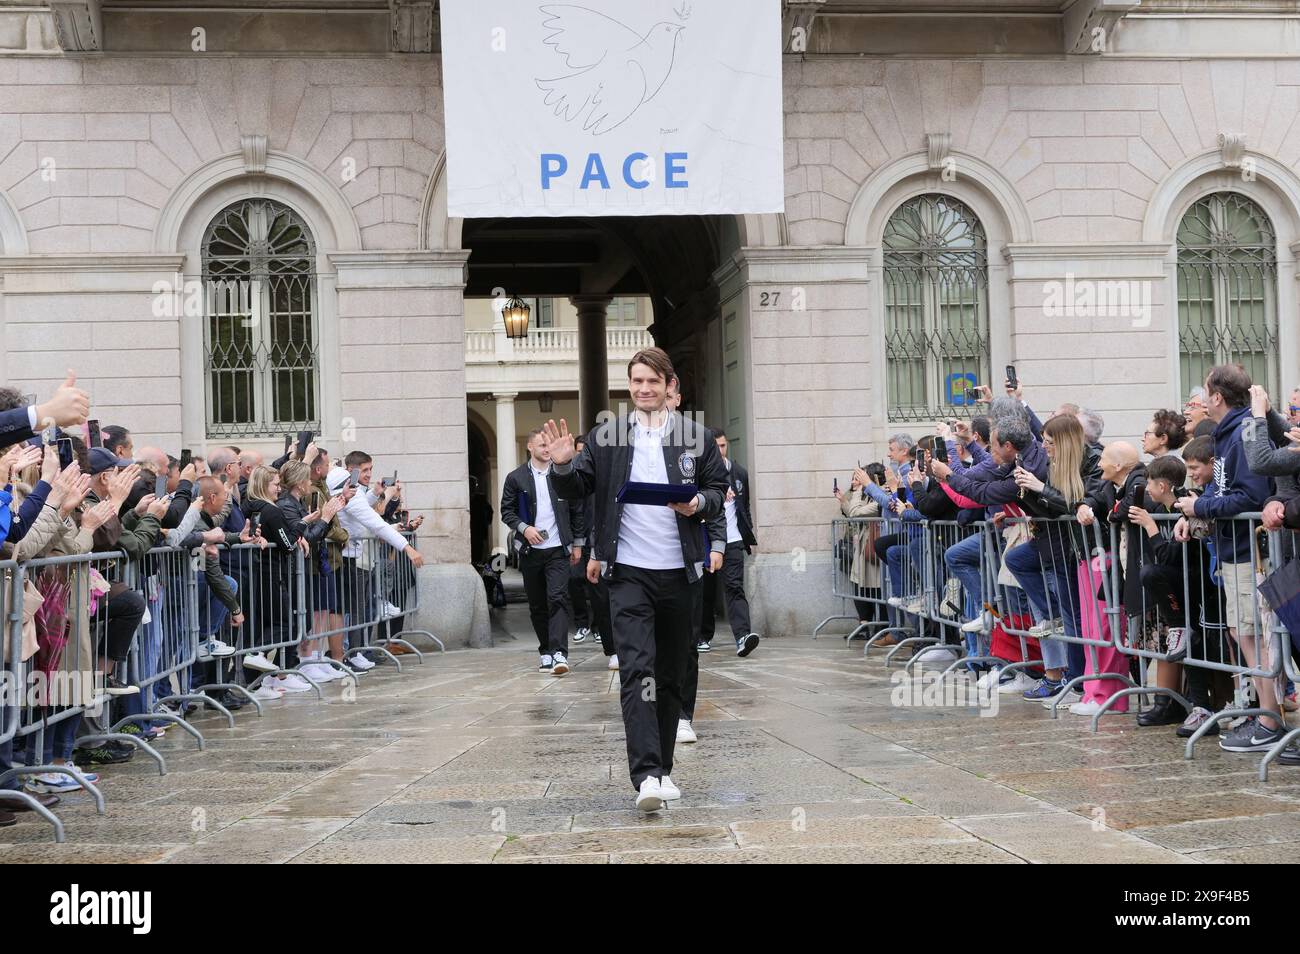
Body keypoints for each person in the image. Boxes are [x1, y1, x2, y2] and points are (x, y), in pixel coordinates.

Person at [546, 346, 728, 814]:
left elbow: (715, 490)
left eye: (652, 381)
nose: (644, 389)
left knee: (670, 673)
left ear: (670, 386)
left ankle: (663, 768)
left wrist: (699, 507)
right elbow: (576, 490)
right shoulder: (607, 437)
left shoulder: (697, 436)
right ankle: (646, 775)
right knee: (637, 670)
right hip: (627, 574)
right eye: (636, 382)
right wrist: (564, 464)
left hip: (680, 572)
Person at [1173, 365, 1281, 753]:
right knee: (1244, 634)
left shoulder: (1239, 433)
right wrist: (1198, 512)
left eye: (1204, 393)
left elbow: (1250, 497)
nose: (1200, 400)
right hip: (1232, 548)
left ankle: (1269, 721)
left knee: (1253, 635)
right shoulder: (1228, 432)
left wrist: (1199, 505)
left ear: (1217, 397)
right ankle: (1265, 717)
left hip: (1247, 552)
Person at [1007, 413, 1101, 703]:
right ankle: (1052, 615)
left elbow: (1076, 503)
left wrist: (1039, 487)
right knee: (1017, 561)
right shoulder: (1056, 463)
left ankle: (1077, 679)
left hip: (1078, 549)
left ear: (1063, 442)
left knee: (1077, 619)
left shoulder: (1092, 460)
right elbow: (1050, 509)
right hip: (1060, 546)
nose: (1044, 446)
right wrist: (1023, 491)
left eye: (1048, 442)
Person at [500, 428, 584, 675]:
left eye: (549, 446)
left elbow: (576, 508)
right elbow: (507, 511)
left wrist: (577, 543)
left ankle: (560, 653)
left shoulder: (563, 474)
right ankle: (546, 651)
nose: (547, 450)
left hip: (558, 548)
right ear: (530, 447)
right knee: (537, 604)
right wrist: (525, 529)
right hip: (530, 551)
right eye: (542, 446)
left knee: (558, 598)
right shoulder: (516, 478)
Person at [698, 429, 759, 657]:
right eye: (716, 446)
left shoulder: (739, 472)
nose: (720, 450)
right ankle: (703, 636)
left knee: (735, 587)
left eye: (723, 446)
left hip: (733, 539)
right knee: (705, 591)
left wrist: (747, 534)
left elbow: (745, 507)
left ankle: (743, 636)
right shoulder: (698, 473)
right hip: (707, 539)